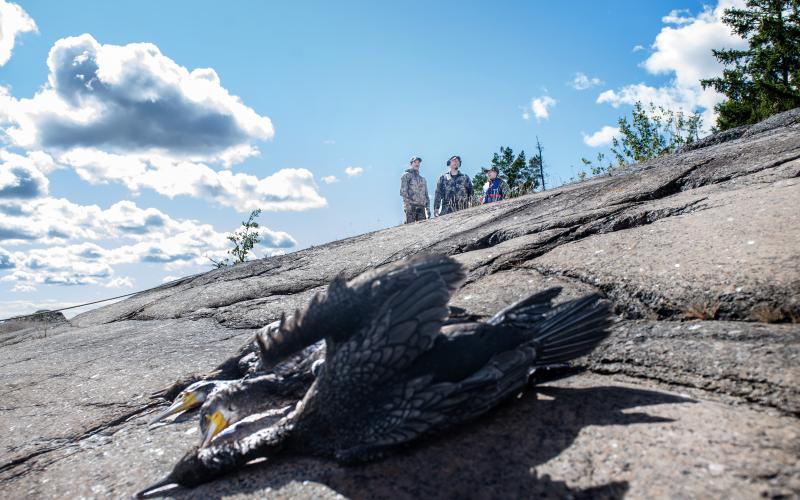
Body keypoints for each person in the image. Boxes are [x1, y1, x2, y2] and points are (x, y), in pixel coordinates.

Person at [400, 156, 430, 223]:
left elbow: (426, 195)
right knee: (410, 230)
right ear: (411, 164)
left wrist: (428, 209)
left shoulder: (423, 179)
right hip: (411, 207)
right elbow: (403, 192)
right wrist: (408, 207)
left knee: (423, 229)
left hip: (421, 208)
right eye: (415, 162)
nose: (417, 164)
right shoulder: (406, 175)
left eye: (418, 162)